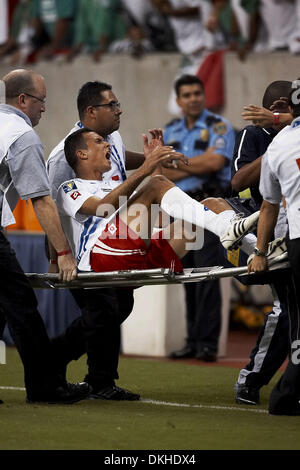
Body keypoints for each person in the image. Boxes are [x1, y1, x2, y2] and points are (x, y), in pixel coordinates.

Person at [47, 80, 164, 400]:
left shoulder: (110, 137)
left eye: (117, 103)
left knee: (116, 310)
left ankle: (88, 374)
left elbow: (121, 158)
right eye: (111, 105)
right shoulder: (62, 156)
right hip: (84, 251)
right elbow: (49, 206)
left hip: (115, 243)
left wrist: (150, 157)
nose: (119, 109)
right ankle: (78, 370)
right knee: (102, 314)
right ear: (90, 111)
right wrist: (59, 254)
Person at [57, 128, 262, 282]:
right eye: (99, 141)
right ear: (82, 154)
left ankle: (258, 249)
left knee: (214, 204)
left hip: (139, 253)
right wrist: (147, 167)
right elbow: (103, 208)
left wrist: (155, 165)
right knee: (155, 185)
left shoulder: (115, 184)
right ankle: (227, 228)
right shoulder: (70, 187)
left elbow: (160, 208)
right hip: (102, 258)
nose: (108, 145)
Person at [0, 68, 90, 404]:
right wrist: (63, 252)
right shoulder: (19, 135)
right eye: (41, 101)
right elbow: (40, 199)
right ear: (23, 100)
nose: (44, 108)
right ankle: (45, 386)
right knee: (21, 304)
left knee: (4, 305)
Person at [163, 74, 235, 362]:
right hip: (179, 208)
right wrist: (195, 164)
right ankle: (192, 340)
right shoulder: (170, 129)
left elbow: (215, 162)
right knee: (185, 274)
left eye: (197, 93)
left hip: (207, 206)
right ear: (179, 100)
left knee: (208, 273)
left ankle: (207, 343)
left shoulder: (219, 126)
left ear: (203, 96)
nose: (193, 98)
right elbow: (160, 172)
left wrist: (180, 164)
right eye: (187, 94)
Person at [230, 80, 293, 406]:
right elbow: (238, 182)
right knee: (286, 309)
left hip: (291, 227)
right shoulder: (255, 136)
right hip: (267, 227)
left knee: (291, 312)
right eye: (284, 106)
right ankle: (251, 379)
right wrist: (277, 145)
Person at [248, 79, 300, 415]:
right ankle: (284, 396)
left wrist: (260, 252)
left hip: (298, 244)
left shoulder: (280, 145)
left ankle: (285, 396)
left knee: (298, 323)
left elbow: (268, 205)